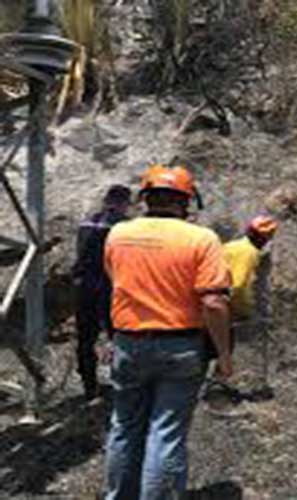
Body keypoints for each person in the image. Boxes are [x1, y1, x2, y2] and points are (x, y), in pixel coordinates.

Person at [103, 164, 233, 500]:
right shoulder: (201, 239)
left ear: (145, 197)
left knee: (124, 427)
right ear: (187, 200)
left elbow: (115, 284)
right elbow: (215, 303)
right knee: (166, 433)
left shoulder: (118, 234)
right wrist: (225, 355)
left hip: (128, 343)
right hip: (180, 345)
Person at [71, 184, 131, 401]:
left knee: (85, 339)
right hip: (109, 285)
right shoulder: (124, 226)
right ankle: (121, 385)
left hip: (84, 286)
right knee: (119, 336)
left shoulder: (86, 222)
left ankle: (89, 387)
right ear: (124, 203)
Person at [222, 213, 277, 385]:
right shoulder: (249, 253)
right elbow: (238, 287)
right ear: (266, 239)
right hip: (222, 307)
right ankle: (218, 388)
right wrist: (244, 311)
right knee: (224, 348)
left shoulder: (231, 246)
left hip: (206, 303)